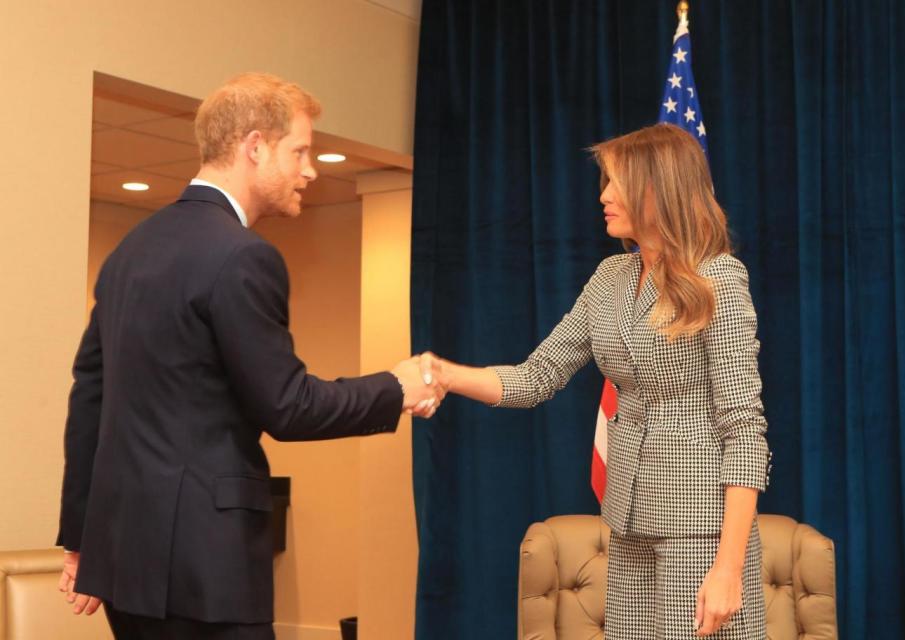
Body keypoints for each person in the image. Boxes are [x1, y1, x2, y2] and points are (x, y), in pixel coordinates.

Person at [57, 72, 443, 640]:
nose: (311, 169)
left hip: (123, 564)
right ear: (255, 146)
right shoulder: (243, 256)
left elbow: (90, 397)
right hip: (205, 568)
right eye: (300, 151)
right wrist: (396, 386)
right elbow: (287, 407)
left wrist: (80, 540)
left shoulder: (129, 251)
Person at [428, 123, 771, 638]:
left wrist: (727, 567)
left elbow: (744, 429)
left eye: (616, 183)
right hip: (627, 521)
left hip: (700, 533)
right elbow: (535, 377)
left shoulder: (717, 278)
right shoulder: (609, 278)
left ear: (659, 189)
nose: (604, 196)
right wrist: (444, 374)